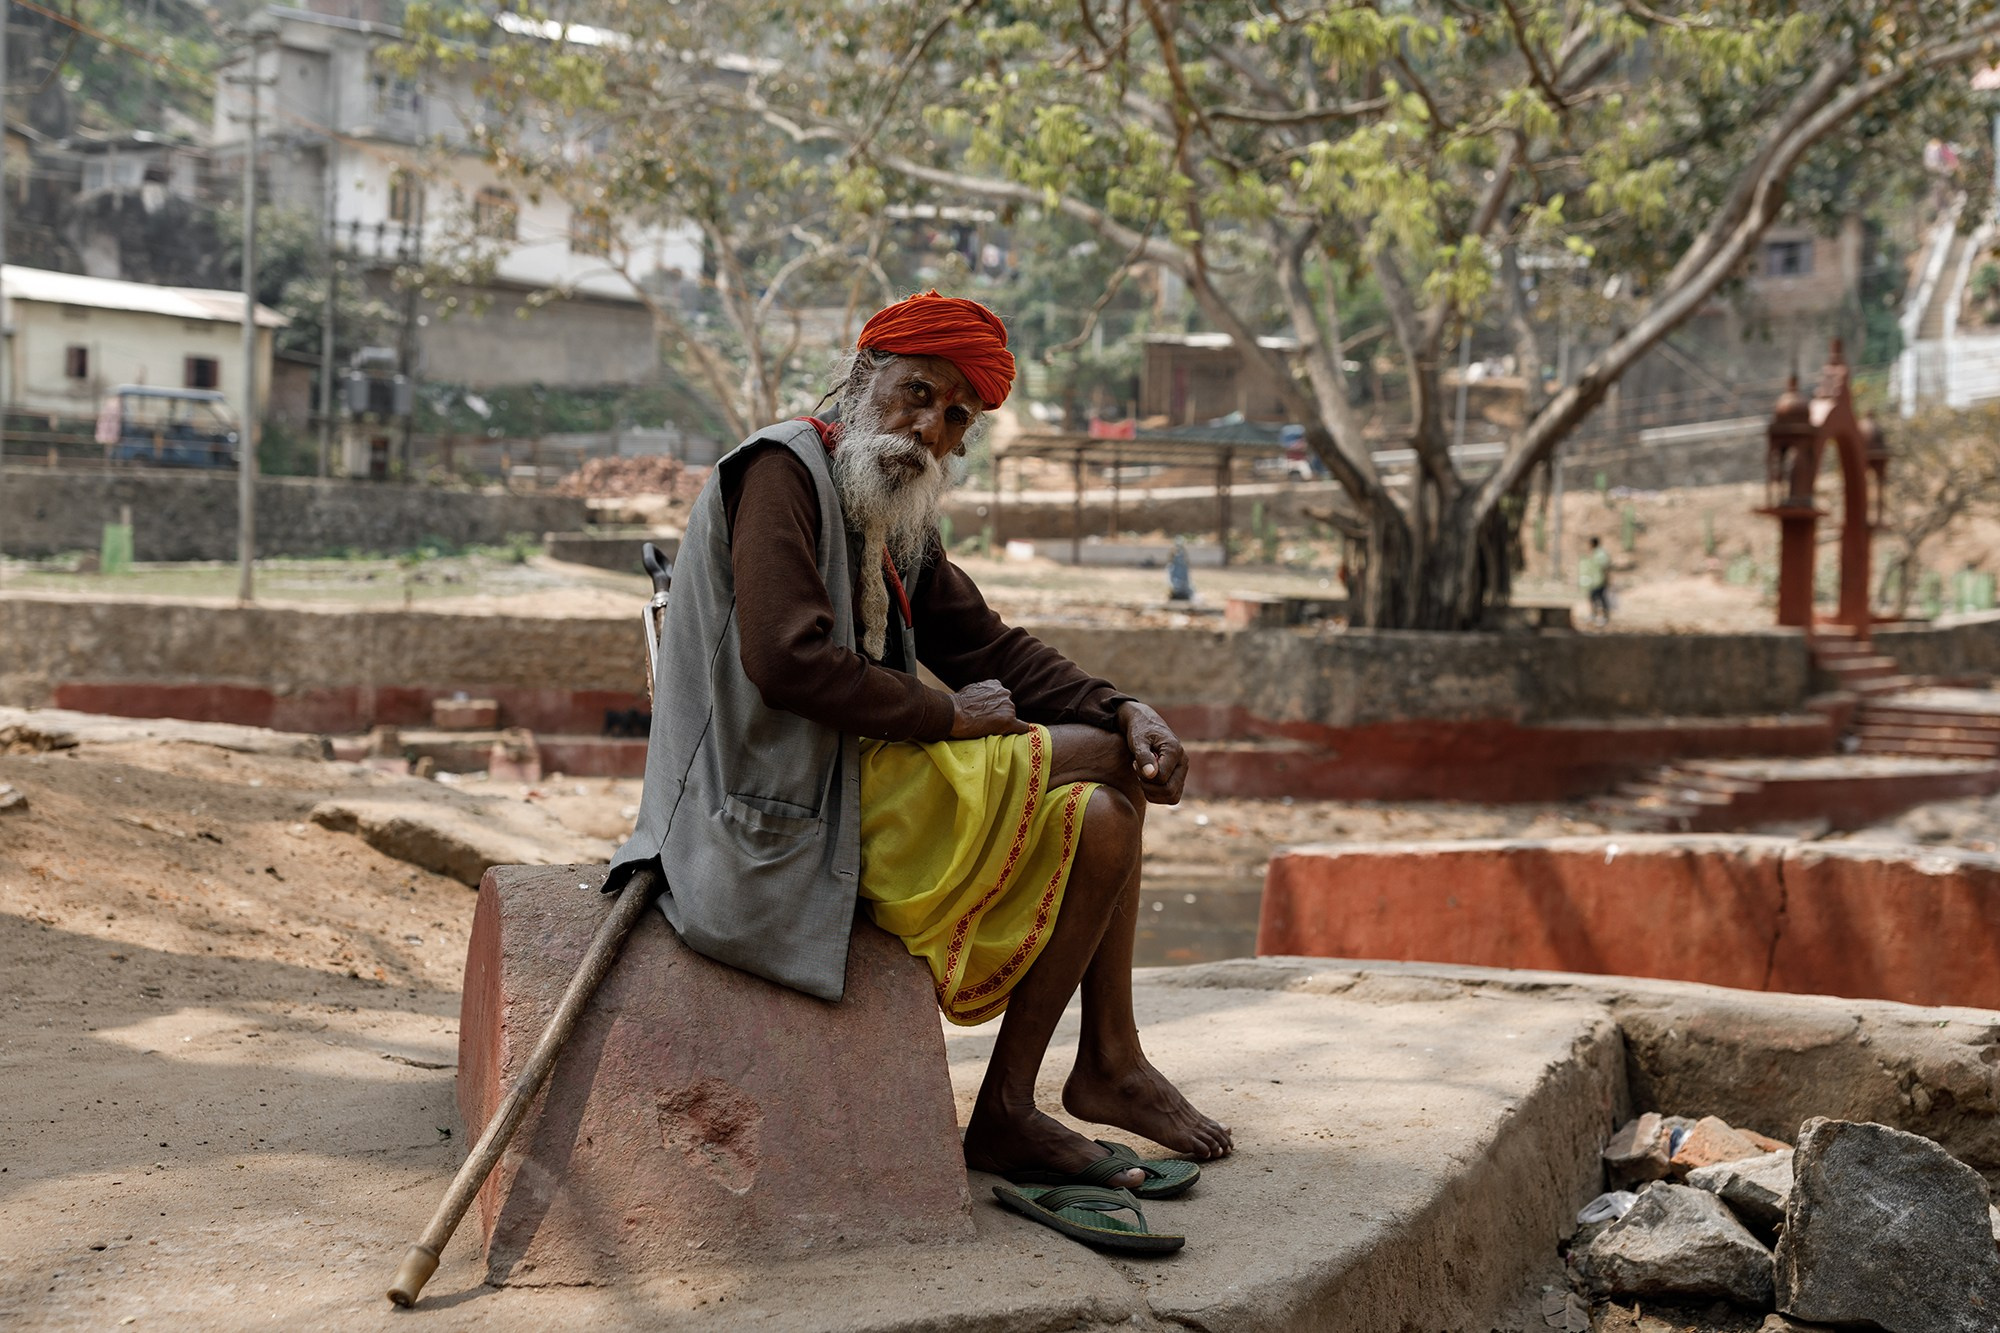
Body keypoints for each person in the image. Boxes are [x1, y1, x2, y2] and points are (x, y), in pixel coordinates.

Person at [606, 291, 1231, 1243]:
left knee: (1107, 805)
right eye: (916, 393)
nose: (928, 426)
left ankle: (1025, 1102)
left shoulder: (889, 508)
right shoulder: (782, 469)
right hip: (762, 819)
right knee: (1103, 763)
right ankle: (1109, 1058)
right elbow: (785, 660)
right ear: (864, 380)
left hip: (850, 793)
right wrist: (944, 714)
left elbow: (988, 645)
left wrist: (1123, 704)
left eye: (952, 416)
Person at [1579, 535, 1612, 627]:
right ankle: (1594, 615)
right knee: (1593, 597)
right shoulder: (1595, 553)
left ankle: (1604, 616)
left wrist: (1607, 579)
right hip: (1594, 580)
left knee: (1601, 598)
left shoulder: (1601, 554)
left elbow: (1605, 567)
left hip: (1600, 580)